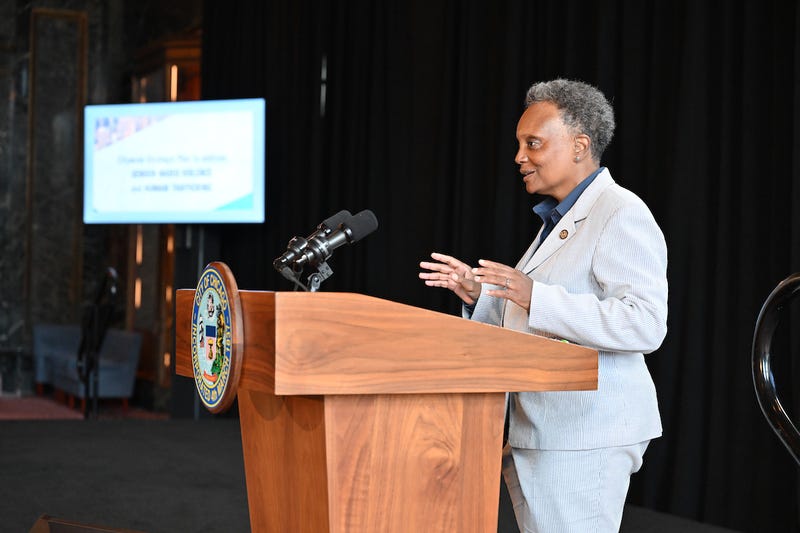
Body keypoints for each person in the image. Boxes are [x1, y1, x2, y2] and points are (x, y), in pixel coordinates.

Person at [419, 79, 668, 532]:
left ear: (579, 145)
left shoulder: (620, 211)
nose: (519, 156)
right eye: (519, 144)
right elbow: (532, 320)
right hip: (542, 429)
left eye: (533, 143)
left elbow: (645, 324)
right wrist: (480, 295)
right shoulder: (558, 220)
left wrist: (534, 294)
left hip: (584, 433)